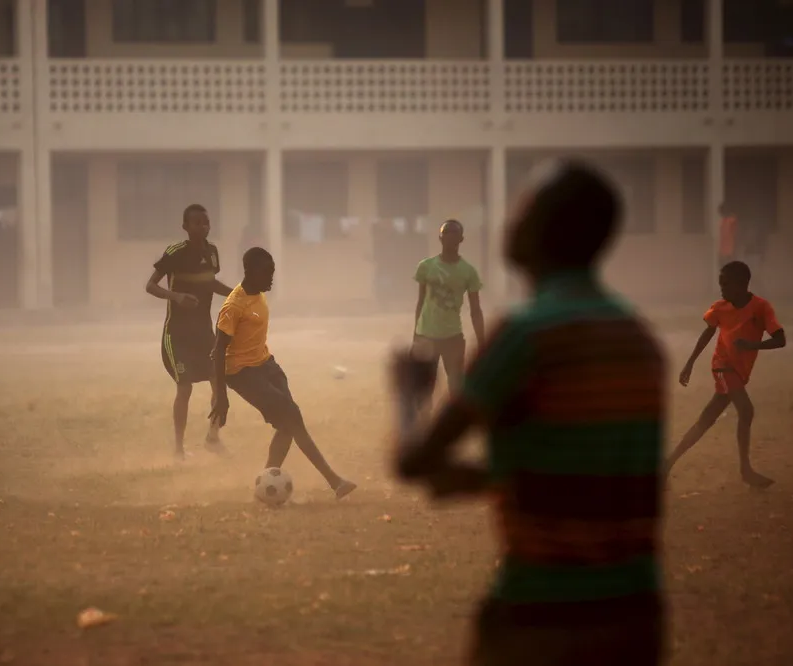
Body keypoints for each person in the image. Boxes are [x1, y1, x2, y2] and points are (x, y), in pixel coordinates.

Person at [389, 161, 666, 666]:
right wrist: (489, 477)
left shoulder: (525, 335)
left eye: (522, 207)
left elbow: (414, 462)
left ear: (543, 229)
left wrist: (409, 395)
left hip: (542, 614)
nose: (509, 220)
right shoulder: (640, 341)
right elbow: (581, 467)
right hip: (636, 617)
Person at [209, 247, 357, 499]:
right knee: (292, 416)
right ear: (252, 272)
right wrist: (220, 396)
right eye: (268, 273)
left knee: (287, 425)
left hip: (266, 365)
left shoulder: (258, 294)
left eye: (273, 272)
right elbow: (217, 352)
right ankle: (334, 481)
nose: (272, 278)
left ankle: (266, 483)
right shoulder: (233, 306)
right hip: (243, 373)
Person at [665, 261, 785, 488]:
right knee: (746, 410)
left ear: (743, 284)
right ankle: (746, 470)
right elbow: (708, 333)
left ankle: (666, 465)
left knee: (705, 420)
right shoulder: (719, 308)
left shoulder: (761, 307)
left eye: (726, 284)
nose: (722, 289)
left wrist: (751, 345)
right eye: (721, 284)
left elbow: (781, 339)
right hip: (722, 368)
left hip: (739, 372)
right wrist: (689, 362)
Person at [146, 204, 233, 461]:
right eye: (196, 223)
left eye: (206, 223)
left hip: (204, 334)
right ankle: (178, 450)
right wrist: (177, 296)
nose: (202, 227)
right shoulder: (175, 252)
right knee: (185, 389)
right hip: (177, 334)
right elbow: (150, 285)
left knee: (219, 384)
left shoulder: (212, 253)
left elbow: (210, 282)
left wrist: (236, 294)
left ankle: (213, 438)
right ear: (185, 226)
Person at [412, 219, 485, 403]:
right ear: (440, 238)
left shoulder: (468, 272)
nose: (450, 238)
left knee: (457, 388)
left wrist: (482, 341)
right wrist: (416, 334)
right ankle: (423, 426)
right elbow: (420, 301)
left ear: (461, 239)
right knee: (424, 388)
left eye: (454, 235)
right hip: (427, 335)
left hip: (453, 336)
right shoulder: (426, 266)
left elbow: (475, 310)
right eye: (446, 234)